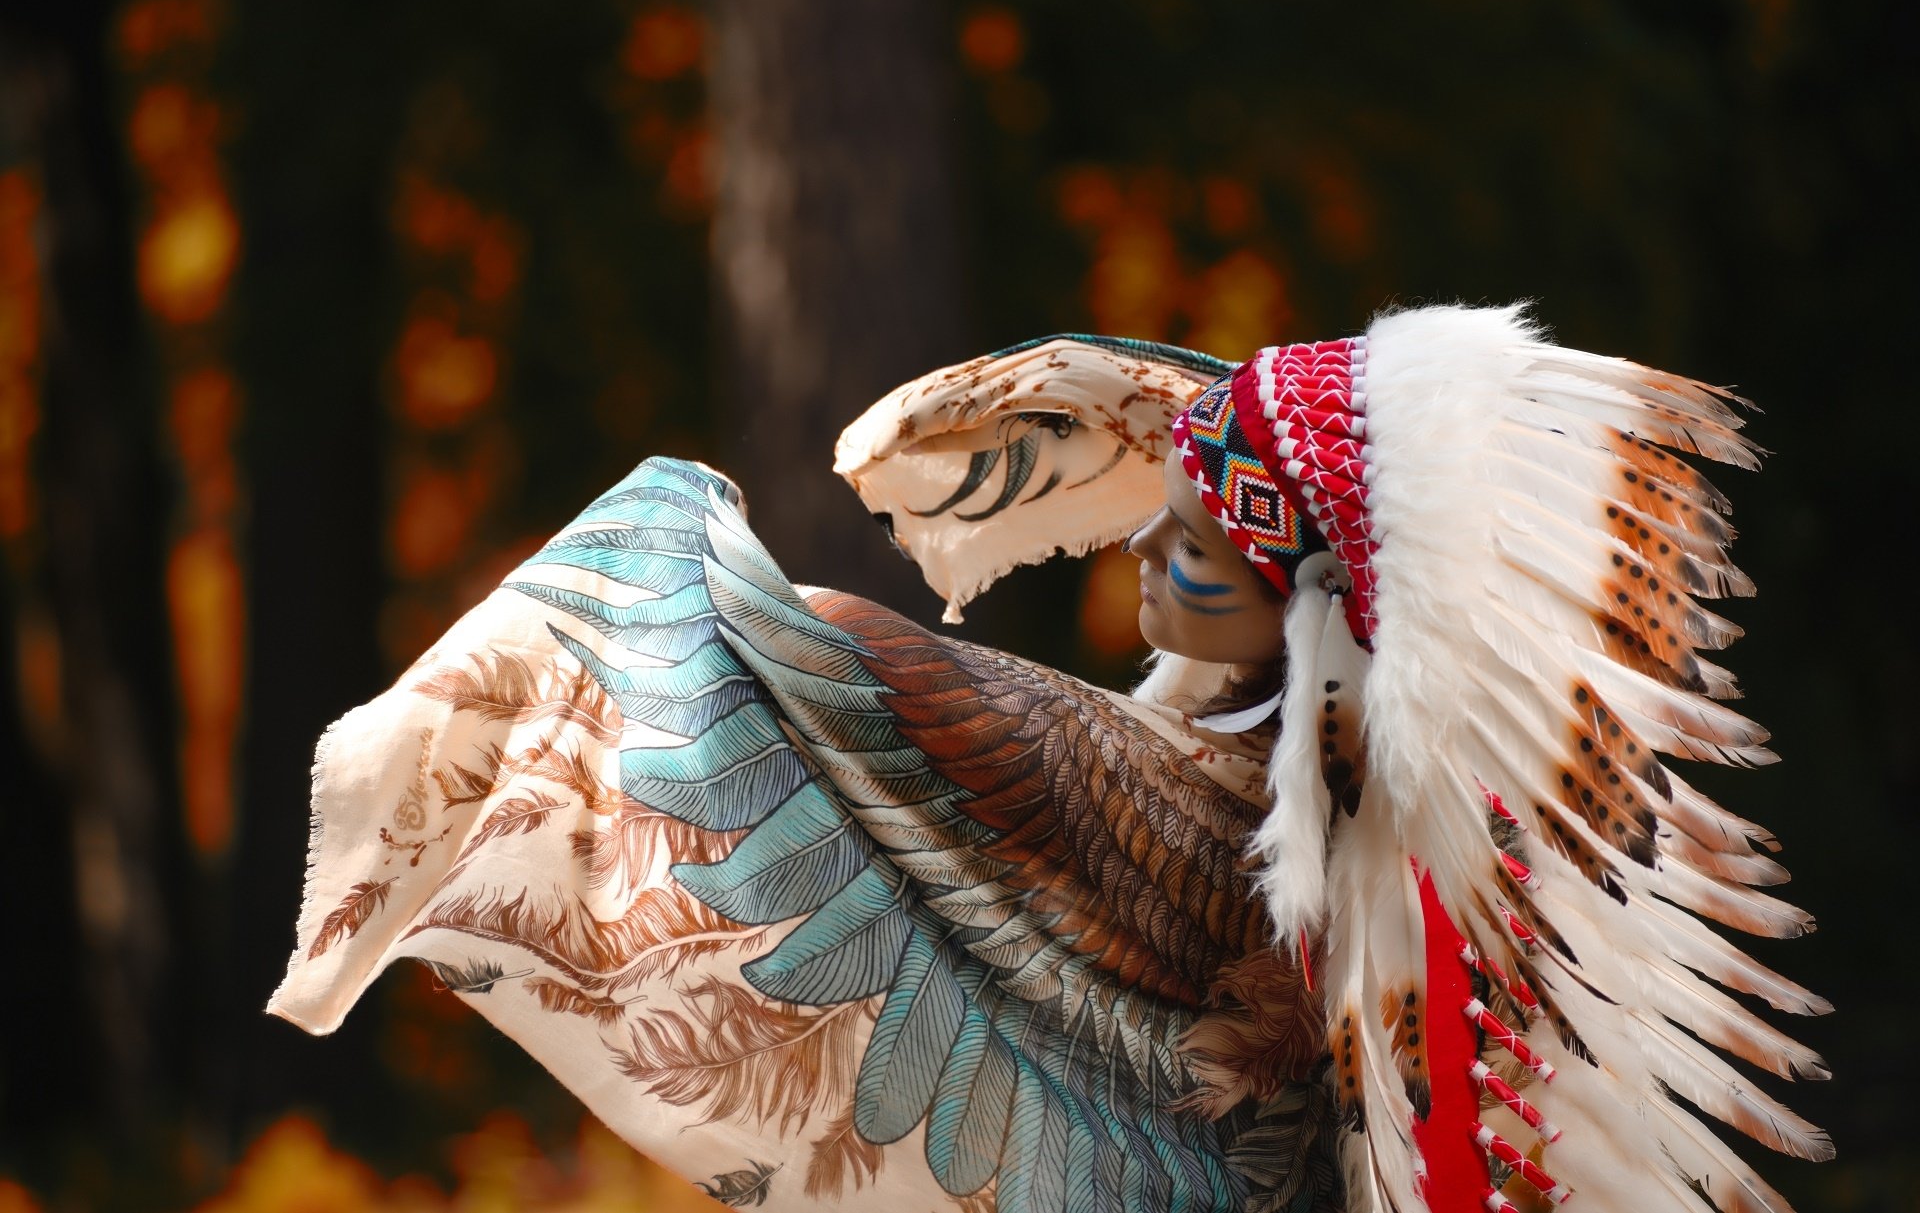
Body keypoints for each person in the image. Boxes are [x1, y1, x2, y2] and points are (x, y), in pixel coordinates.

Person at [270, 304, 1827, 1213]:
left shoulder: (1279, 828)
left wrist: (707, 598)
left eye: (1208, 553)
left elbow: (841, 650)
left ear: (1319, 613)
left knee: (728, 602)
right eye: (1170, 509)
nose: (1153, 554)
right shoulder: (1312, 797)